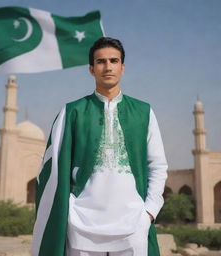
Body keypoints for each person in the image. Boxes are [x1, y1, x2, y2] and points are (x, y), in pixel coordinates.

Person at [32, 37, 168, 256]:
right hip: (82, 226)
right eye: (101, 61)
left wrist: (149, 213)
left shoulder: (143, 113)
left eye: (113, 61)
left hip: (133, 226)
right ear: (91, 69)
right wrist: (68, 214)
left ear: (122, 67)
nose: (108, 66)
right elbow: (52, 171)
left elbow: (158, 166)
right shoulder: (72, 112)